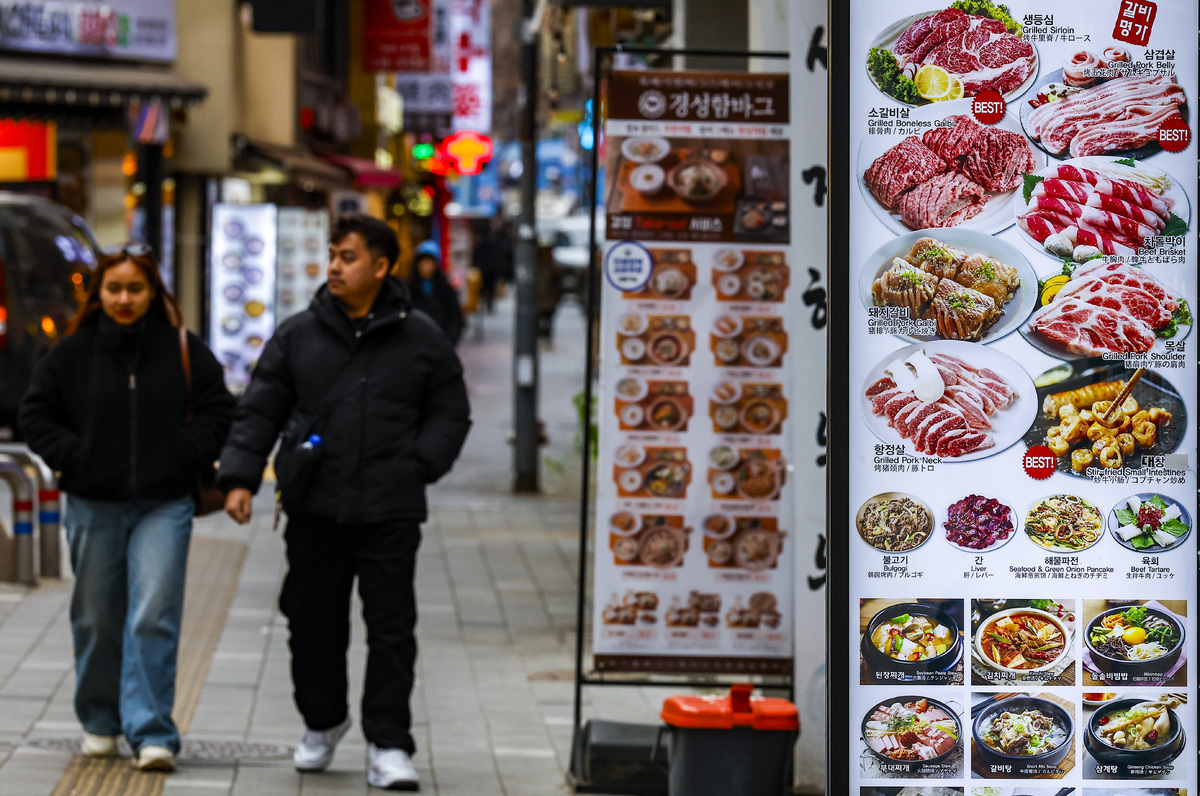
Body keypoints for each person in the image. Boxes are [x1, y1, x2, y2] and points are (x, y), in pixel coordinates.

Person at [218, 214, 471, 791]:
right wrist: (237, 477)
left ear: (381, 267)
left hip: (390, 507)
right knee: (310, 620)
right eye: (333, 254)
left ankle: (389, 742)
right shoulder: (299, 334)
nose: (334, 265)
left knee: (390, 627)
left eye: (348, 256)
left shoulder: (421, 338)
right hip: (314, 505)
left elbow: (450, 412)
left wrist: (420, 465)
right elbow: (260, 408)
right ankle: (323, 722)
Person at [19, 245, 234, 773]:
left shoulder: (183, 348)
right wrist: (77, 457)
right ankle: (99, 720)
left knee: (153, 613)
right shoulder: (72, 353)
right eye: (113, 289)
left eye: (135, 289)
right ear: (98, 295)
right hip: (94, 502)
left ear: (153, 294)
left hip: (165, 502)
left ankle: (152, 731)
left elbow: (220, 409)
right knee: (95, 617)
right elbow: (36, 415)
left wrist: (186, 453)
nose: (123, 299)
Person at [406, 240, 464, 345]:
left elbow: (456, 317)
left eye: (429, 262)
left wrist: (448, 342)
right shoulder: (409, 288)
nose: (426, 266)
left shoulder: (445, 289)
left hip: (440, 342)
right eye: (423, 262)